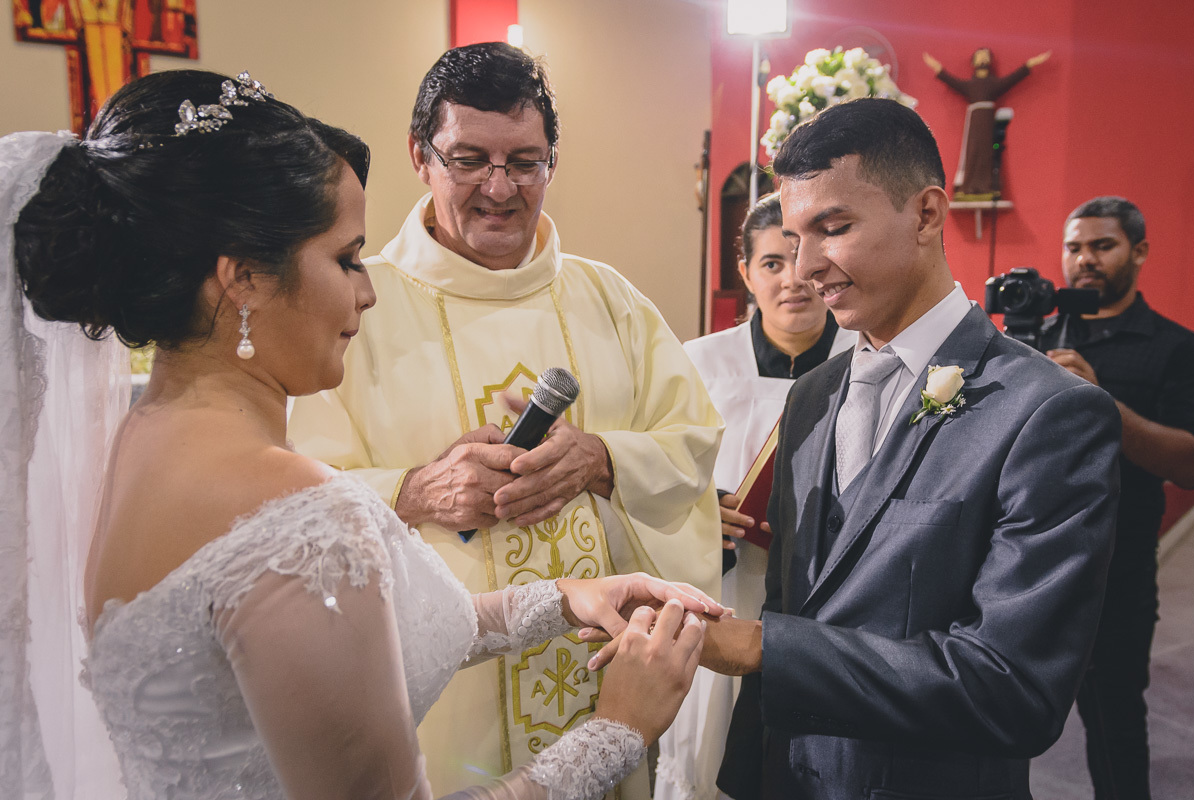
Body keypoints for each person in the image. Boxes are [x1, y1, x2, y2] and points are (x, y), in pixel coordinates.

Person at [5, 68, 727, 800]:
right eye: (346, 258)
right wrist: (618, 733)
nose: (369, 288)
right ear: (244, 279)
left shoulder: (137, 442)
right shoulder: (295, 511)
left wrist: (565, 597)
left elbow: (339, 635)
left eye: (524, 162)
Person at [649, 97, 1119, 800]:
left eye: (832, 229)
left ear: (928, 214)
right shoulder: (813, 396)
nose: (805, 269)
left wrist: (761, 646)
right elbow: (793, 598)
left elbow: (1013, 689)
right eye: (792, 238)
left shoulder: (1049, 413)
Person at [288, 42, 723, 795]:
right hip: (441, 689)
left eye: (525, 161)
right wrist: (415, 490)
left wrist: (605, 459)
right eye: (469, 159)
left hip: (602, 667)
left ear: (552, 163)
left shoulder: (610, 300)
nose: (499, 187)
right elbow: (288, 500)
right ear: (420, 156)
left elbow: (693, 446)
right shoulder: (357, 305)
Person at [654, 192, 853, 800]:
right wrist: (696, 512)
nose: (792, 280)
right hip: (724, 589)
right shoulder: (696, 363)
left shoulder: (865, 360)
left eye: (801, 260)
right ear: (745, 273)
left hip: (822, 596)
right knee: (710, 748)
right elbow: (652, 478)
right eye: (771, 263)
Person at [1043, 196, 1194, 800]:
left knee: (1114, 728)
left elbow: (1189, 462)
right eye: (1074, 247)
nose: (1084, 260)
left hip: (1117, 567)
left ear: (1139, 252)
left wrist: (1101, 405)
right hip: (1023, 557)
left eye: (1101, 246)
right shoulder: (1039, 330)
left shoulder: (1177, 347)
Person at [922, 48, 1050, 199]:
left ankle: (987, 187)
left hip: (988, 121)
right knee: (973, 152)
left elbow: (1012, 79)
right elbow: (953, 82)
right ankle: (969, 187)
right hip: (975, 121)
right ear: (974, 61)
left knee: (988, 152)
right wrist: (938, 69)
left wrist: (1029, 64)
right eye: (979, 55)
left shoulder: (993, 83)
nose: (982, 58)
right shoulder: (971, 85)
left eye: (985, 56)